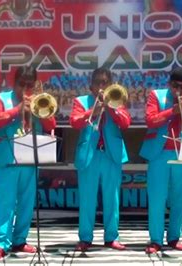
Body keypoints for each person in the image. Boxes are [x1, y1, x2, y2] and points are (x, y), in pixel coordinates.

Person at [0, 66, 56, 261]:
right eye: (22, 85)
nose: (25, 89)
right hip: (7, 157)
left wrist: (40, 108)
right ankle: (0, 244)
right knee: (5, 203)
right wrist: (18, 110)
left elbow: (51, 125)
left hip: (30, 156)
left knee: (27, 202)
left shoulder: (39, 100)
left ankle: (19, 240)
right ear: (14, 83)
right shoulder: (1, 99)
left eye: (30, 85)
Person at [139, 67, 182, 254]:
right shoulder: (156, 96)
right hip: (159, 154)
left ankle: (174, 237)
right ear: (169, 84)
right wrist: (172, 111)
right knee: (157, 198)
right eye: (175, 86)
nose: (179, 91)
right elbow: (150, 120)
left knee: (179, 198)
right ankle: (156, 240)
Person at [70, 67, 131, 252]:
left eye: (105, 82)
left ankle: (111, 237)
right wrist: (93, 111)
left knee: (112, 198)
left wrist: (110, 108)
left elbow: (126, 123)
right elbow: (74, 122)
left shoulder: (118, 101)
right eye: (98, 82)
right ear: (91, 86)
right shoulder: (81, 102)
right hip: (90, 154)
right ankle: (85, 237)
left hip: (111, 155)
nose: (102, 86)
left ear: (111, 84)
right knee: (87, 199)